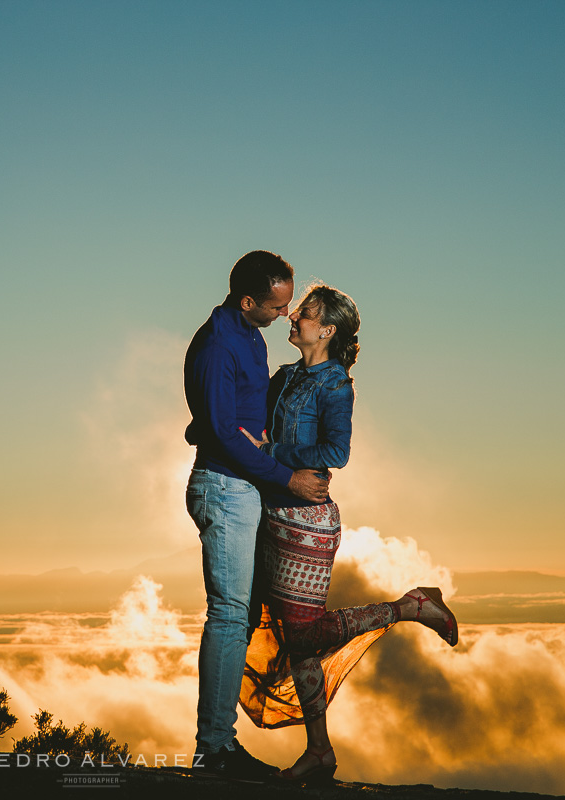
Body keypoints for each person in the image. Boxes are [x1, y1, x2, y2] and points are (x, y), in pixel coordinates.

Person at [235, 284, 459, 784]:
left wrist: (273, 457)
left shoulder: (334, 386)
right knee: (296, 645)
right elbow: (254, 430)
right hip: (272, 515)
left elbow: (336, 451)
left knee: (306, 635)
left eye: (307, 313)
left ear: (328, 330)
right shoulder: (286, 376)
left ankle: (412, 606)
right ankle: (319, 752)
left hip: (307, 524)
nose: (294, 316)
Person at [183, 250, 331, 777]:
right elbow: (223, 433)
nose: (284, 316)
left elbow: (228, 417)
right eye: (276, 307)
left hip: (244, 487)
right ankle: (213, 749)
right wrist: (287, 478)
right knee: (228, 613)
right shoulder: (219, 344)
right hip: (224, 490)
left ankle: (219, 742)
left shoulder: (248, 333)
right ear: (249, 301)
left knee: (242, 614)